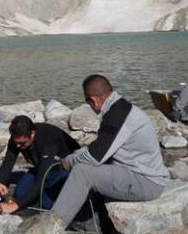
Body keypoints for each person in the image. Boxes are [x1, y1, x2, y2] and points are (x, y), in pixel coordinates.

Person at [50, 74, 169, 230]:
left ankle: (51, 226)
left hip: (146, 181)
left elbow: (94, 157)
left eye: (87, 101)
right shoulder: (120, 108)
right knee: (86, 164)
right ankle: (91, 220)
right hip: (140, 174)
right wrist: (76, 156)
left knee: (82, 172)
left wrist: (69, 161)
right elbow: (100, 148)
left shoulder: (116, 116)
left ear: (93, 100)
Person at [0, 115, 79, 214]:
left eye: (22, 143)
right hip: (42, 166)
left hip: (66, 170)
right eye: (16, 142)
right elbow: (7, 166)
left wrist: (15, 206)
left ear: (32, 134)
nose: (18, 146)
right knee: (19, 194)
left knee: (46, 203)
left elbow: (42, 180)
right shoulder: (17, 139)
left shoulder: (47, 140)